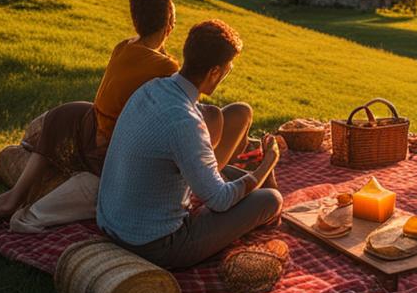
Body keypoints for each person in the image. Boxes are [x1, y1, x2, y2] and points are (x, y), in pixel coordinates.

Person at [0, 0, 251, 221]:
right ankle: (204, 181)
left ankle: (14, 195)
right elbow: (182, 105)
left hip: (92, 128)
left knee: (65, 112)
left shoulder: (125, 46)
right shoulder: (165, 66)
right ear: (170, 25)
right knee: (214, 116)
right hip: (116, 147)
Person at [96, 19, 283, 269]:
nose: (228, 72)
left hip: (111, 223)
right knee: (270, 199)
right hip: (155, 245)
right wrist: (268, 163)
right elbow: (219, 200)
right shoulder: (184, 122)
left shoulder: (152, 89)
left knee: (229, 174)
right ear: (214, 72)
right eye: (229, 67)